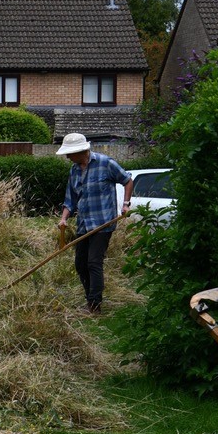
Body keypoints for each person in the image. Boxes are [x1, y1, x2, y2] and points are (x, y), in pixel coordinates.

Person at [55, 132, 132, 313]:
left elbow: (127, 180)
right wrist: (64, 218)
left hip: (104, 222)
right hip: (84, 223)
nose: (67, 157)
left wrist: (126, 204)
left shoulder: (106, 163)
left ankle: (94, 305)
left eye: (69, 153)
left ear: (82, 151)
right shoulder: (74, 170)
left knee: (94, 262)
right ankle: (89, 298)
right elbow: (70, 199)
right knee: (80, 264)